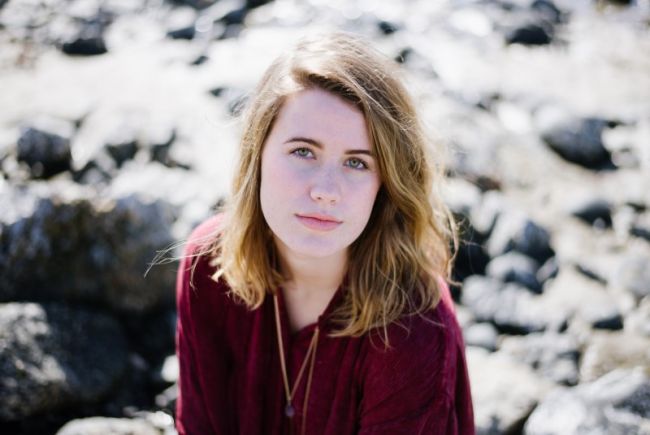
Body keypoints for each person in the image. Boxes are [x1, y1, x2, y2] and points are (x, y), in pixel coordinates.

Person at [174, 32, 475, 435]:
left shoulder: (413, 328)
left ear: (385, 184)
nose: (326, 191)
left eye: (357, 163)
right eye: (303, 151)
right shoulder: (209, 266)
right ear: (256, 154)